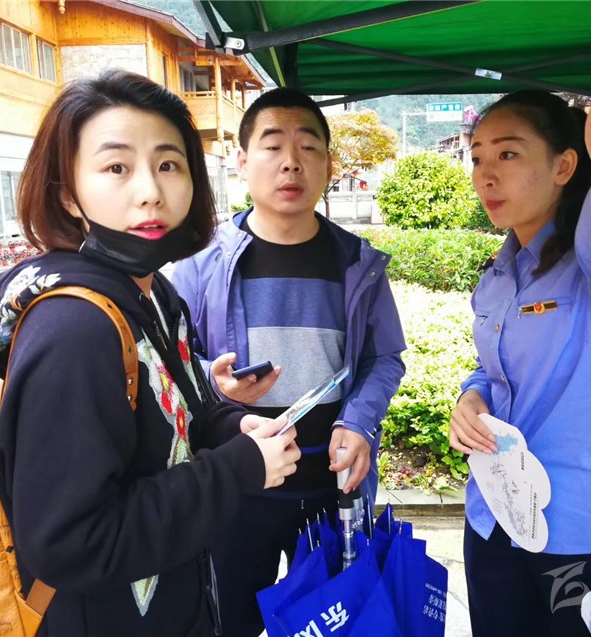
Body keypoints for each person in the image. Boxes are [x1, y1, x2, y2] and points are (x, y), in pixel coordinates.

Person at [0, 70, 300, 637]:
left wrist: (230, 425)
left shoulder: (154, 294)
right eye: (116, 168)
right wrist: (239, 467)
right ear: (67, 194)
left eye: (169, 164)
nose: (150, 190)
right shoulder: (75, 329)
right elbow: (71, 543)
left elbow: (177, 420)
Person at [448, 52, 591, 637]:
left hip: (586, 532)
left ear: (565, 165)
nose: (485, 174)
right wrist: (471, 398)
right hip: (495, 518)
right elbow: (495, 372)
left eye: (508, 154)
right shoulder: (499, 273)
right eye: (477, 157)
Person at [172, 87, 406, 637]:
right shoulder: (200, 264)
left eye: (308, 147)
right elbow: (169, 364)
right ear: (241, 159)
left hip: (331, 486)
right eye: (273, 145)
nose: (291, 162)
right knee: (227, 624)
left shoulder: (358, 263)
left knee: (335, 624)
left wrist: (359, 423)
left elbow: (384, 357)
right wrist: (213, 381)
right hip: (234, 486)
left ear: (329, 165)